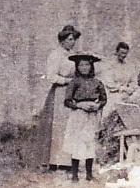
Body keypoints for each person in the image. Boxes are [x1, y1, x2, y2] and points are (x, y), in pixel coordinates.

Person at [35, 24, 80, 170]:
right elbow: (51, 76)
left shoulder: (73, 55)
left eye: (74, 39)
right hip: (60, 93)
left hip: (72, 92)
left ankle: (68, 161)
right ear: (62, 40)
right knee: (58, 126)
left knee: (70, 125)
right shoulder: (55, 55)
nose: (72, 42)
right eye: (70, 39)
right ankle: (55, 161)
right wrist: (67, 81)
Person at [63, 53, 107, 183]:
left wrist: (97, 105)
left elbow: (104, 99)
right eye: (81, 65)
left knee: (90, 142)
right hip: (79, 115)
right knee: (77, 142)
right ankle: (75, 174)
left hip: (92, 116)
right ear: (77, 67)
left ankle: (89, 174)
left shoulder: (97, 82)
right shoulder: (74, 82)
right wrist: (79, 105)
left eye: (87, 65)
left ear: (91, 66)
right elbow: (67, 101)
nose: (84, 68)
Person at [101, 41, 137, 117]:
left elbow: (133, 81)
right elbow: (109, 83)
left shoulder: (129, 66)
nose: (123, 55)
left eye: (125, 53)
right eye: (122, 53)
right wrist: (122, 89)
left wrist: (130, 89)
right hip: (113, 94)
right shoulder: (109, 65)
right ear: (117, 52)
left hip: (127, 94)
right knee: (112, 112)